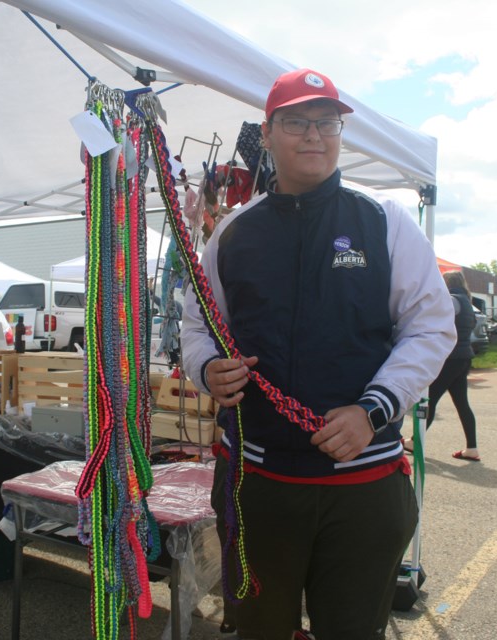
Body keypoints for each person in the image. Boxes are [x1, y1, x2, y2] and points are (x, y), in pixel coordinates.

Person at [181, 68, 456, 640]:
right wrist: (207, 368)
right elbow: (196, 326)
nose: (314, 135)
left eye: (326, 123)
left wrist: (374, 409)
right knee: (258, 631)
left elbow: (431, 327)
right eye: (297, 122)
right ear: (270, 131)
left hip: (365, 488)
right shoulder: (232, 232)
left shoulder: (385, 223)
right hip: (258, 486)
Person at [405, 270, 481, 461]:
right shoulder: (467, 301)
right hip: (464, 356)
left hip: (450, 357)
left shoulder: (452, 300)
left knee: (429, 400)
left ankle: (415, 441)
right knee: (462, 403)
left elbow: (433, 318)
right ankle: (472, 448)